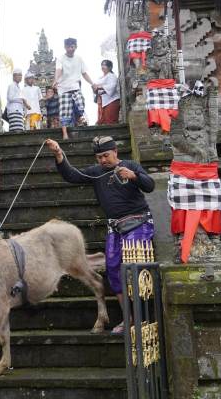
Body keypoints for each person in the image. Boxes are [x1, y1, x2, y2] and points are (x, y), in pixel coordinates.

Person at [45, 135, 155, 335]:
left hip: (139, 222)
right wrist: (59, 153)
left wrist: (134, 176)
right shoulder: (96, 172)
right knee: (113, 270)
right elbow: (72, 176)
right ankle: (128, 317)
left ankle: (144, 318)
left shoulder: (130, 165)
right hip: (115, 227)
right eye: (99, 157)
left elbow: (150, 185)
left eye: (106, 155)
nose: (103, 160)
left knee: (133, 266)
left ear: (115, 152)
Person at [54, 38, 94, 140]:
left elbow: (84, 73)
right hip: (63, 88)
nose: (70, 49)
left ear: (75, 47)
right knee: (64, 112)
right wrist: (56, 80)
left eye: (72, 47)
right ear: (65, 47)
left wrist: (92, 83)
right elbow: (58, 70)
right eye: (68, 47)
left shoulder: (79, 59)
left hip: (75, 86)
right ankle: (65, 133)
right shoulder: (61, 59)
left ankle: (80, 119)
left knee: (80, 103)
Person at [92, 59, 120, 125]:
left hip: (111, 100)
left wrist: (99, 87)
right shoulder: (100, 78)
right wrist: (94, 89)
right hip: (102, 101)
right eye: (102, 65)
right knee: (102, 121)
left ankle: (113, 134)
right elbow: (95, 88)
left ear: (110, 67)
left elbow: (112, 86)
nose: (103, 67)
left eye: (105, 65)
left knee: (110, 120)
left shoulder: (112, 76)